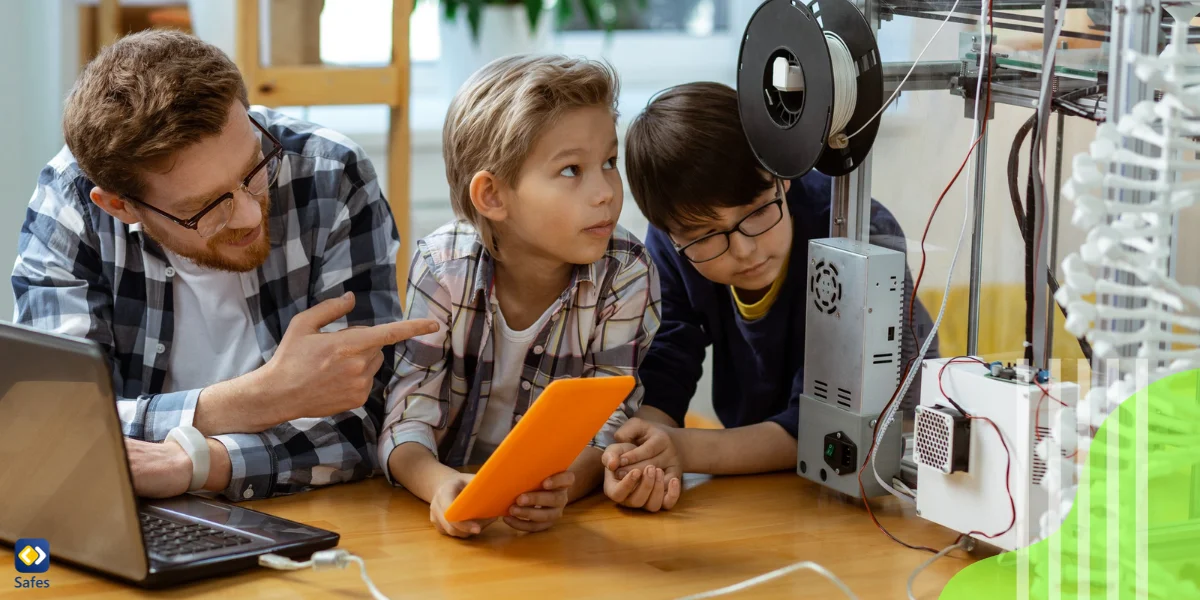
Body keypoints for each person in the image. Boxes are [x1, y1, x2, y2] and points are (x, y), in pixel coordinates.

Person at [11, 31, 435, 502]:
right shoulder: (70, 204)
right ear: (120, 206)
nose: (252, 214)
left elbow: (364, 421)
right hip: (123, 511)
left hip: (298, 511)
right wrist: (261, 398)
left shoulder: (330, 174)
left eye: (254, 168)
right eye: (206, 207)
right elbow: (56, 418)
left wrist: (197, 462)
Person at [603, 82, 937, 511]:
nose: (745, 250)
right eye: (706, 236)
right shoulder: (676, 242)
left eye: (758, 212)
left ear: (783, 175)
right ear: (671, 232)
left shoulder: (859, 235)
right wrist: (641, 451)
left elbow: (825, 426)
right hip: (761, 465)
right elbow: (669, 359)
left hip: (882, 465)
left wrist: (681, 449)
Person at [380, 55, 662, 538]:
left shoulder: (626, 273)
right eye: (572, 170)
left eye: (609, 163)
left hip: (558, 517)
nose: (606, 192)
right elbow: (407, 417)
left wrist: (559, 489)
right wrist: (443, 486)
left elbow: (609, 422)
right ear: (492, 197)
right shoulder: (441, 268)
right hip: (436, 514)